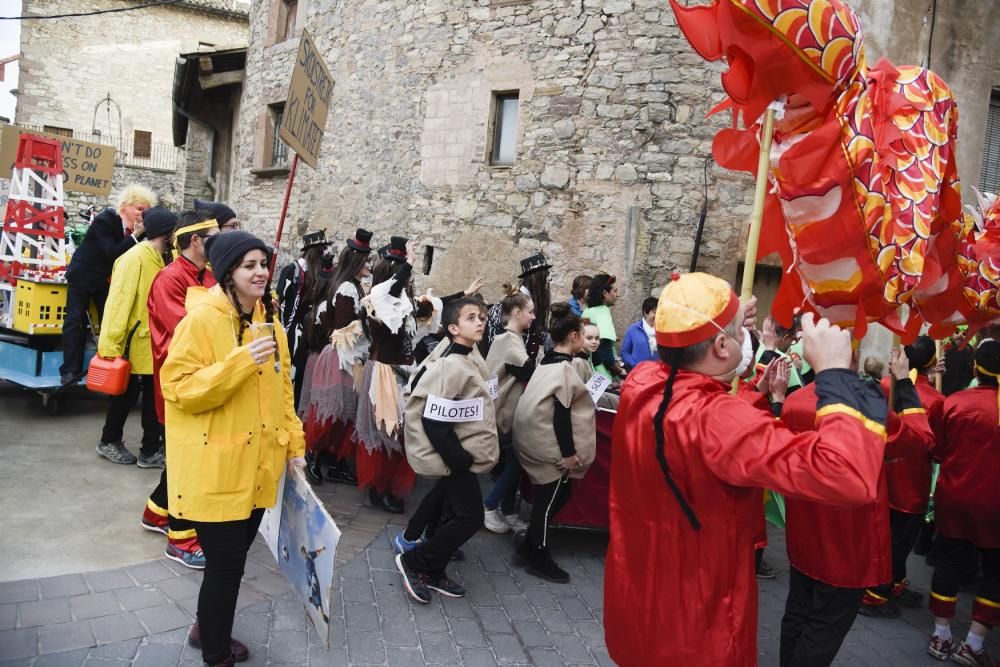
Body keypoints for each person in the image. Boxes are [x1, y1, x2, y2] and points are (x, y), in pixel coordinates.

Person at [605, 272, 889, 667]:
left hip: (641, 611)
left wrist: (727, 325)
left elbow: (702, 410)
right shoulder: (718, 419)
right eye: (741, 330)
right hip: (698, 630)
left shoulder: (642, 382)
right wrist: (834, 375)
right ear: (721, 345)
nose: (748, 334)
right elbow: (847, 476)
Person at [160, 231, 305, 667]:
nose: (260, 272)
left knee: (233, 563)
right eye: (249, 265)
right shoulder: (202, 321)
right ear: (227, 273)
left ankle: (207, 629)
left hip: (258, 468)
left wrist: (295, 446)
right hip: (215, 470)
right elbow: (177, 386)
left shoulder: (269, 322)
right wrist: (242, 362)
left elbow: (283, 394)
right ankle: (216, 655)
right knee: (225, 570)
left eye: (263, 263)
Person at [780, 347, 932, 666]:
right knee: (824, 627)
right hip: (847, 543)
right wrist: (904, 382)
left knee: (798, 613)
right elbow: (920, 439)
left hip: (804, 533)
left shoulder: (795, 400)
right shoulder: (865, 406)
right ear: (851, 355)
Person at [395, 297, 500, 604]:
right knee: (470, 518)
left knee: (455, 514)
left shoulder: (468, 358)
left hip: (461, 454)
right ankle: (415, 562)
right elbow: (433, 419)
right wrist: (459, 460)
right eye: (471, 318)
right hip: (456, 458)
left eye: (481, 317)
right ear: (453, 328)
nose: (480, 322)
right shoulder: (452, 365)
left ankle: (434, 569)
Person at [139, 210, 221, 569]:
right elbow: (192, 331)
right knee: (190, 460)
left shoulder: (206, 274)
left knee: (187, 455)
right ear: (195, 240)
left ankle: (156, 511)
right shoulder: (169, 279)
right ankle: (182, 537)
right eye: (215, 236)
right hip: (180, 384)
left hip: (200, 381)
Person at [925, 337, 1000, 666]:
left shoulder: (953, 402)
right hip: (994, 505)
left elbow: (937, 451)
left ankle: (940, 636)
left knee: (948, 563)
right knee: (995, 573)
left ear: (974, 368)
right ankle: (973, 643)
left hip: (953, 496)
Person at [861, 336, 945, 616]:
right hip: (911, 480)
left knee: (889, 536)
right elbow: (936, 447)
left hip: (884, 470)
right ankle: (875, 594)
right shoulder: (936, 400)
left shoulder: (886, 384)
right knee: (898, 540)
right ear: (933, 363)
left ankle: (894, 583)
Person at [512, 302, 596, 583]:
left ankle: (528, 547)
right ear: (573, 337)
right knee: (548, 503)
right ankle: (539, 556)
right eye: (583, 335)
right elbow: (562, 416)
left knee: (556, 498)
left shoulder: (548, 361)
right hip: (551, 447)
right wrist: (570, 455)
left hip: (533, 441)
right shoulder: (566, 370)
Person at [95, 206, 177, 466]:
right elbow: (118, 303)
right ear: (166, 232)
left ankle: (150, 449)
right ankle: (110, 441)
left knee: (151, 397)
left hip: (151, 341)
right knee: (125, 395)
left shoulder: (163, 256)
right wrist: (110, 346)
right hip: (132, 342)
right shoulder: (134, 259)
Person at [61, 184, 155, 384]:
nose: (142, 214)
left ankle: (108, 368)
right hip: (83, 275)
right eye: (139, 209)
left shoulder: (137, 230)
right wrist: (135, 236)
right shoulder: (106, 220)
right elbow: (112, 252)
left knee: (110, 321)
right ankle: (69, 370)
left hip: (104, 279)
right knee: (75, 322)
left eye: (145, 211)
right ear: (124, 207)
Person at [301, 228, 373, 485]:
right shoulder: (346, 289)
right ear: (356, 261)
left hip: (353, 357)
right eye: (366, 260)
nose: (370, 264)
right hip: (341, 358)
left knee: (347, 414)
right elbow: (343, 329)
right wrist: (370, 323)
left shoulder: (356, 287)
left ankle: (336, 461)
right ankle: (311, 454)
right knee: (332, 412)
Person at [354, 237, 420, 513]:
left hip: (401, 371)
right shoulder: (380, 299)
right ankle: (377, 488)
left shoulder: (399, 302)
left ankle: (387, 486)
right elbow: (393, 288)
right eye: (404, 274)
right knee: (385, 430)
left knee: (399, 430)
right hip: (384, 374)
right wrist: (411, 260)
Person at [482, 285, 536, 534]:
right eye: (530, 312)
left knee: (517, 460)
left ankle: (506, 509)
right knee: (516, 461)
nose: (533, 317)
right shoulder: (510, 342)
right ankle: (491, 506)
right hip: (504, 411)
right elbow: (530, 371)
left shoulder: (509, 339)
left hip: (505, 409)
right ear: (516, 313)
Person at [277, 230, 333, 409]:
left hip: (310, 332)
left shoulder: (320, 273)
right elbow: (280, 301)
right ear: (314, 251)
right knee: (290, 372)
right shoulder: (293, 270)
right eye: (322, 249)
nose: (325, 252)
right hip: (293, 331)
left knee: (304, 375)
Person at [484, 253, 551, 359]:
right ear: (535, 279)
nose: (548, 280)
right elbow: (501, 345)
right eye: (545, 276)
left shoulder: (529, 301)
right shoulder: (514, 303)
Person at [581, 273, 625, 380]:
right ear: (605, 293)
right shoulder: (602, 314)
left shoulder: (587, 312)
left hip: (589, 371)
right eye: (615, 291)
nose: (617, 295)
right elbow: (605, 353)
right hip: (602, 375)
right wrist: (621, 371)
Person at [620, 296, 658, 372]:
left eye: (659, 312)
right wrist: (634, 364)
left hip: (658, 373)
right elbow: (625, 351)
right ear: (645, 312)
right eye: (654, 312)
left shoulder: (663, 330)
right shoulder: (633, 329)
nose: (657, 315)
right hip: (638, 373)